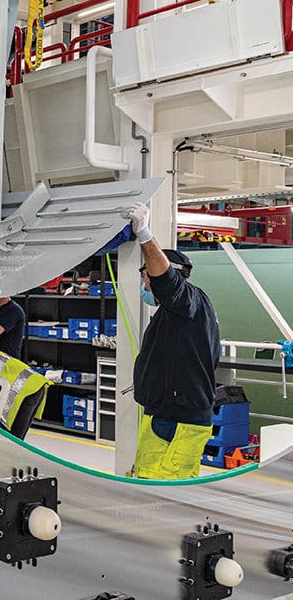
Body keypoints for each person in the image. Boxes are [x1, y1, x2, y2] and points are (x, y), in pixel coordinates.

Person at [123, 202, 221, 479]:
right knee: (144, 479)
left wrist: (144, 233)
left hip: (180, 421)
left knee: (165, 492)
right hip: (165, 415)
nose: (145, 287)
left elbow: (166, 281)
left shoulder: (187, 301)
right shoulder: (178, 312)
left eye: (146, 279)